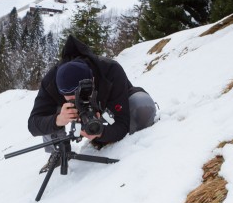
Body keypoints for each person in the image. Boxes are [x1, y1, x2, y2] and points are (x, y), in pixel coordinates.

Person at [28, 35, 156, 173]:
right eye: (68, 97)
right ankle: (58, 151)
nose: (75, 99)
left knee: (142, 106)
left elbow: (122, 123)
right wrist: (58, 119)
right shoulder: (50, 82)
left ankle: (115, 140)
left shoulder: (110, 70)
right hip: (70, 116)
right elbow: (33, 124)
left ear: (93, 80)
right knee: (49, 117)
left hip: (109, 107)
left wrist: (101, 134)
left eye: (79, 94)